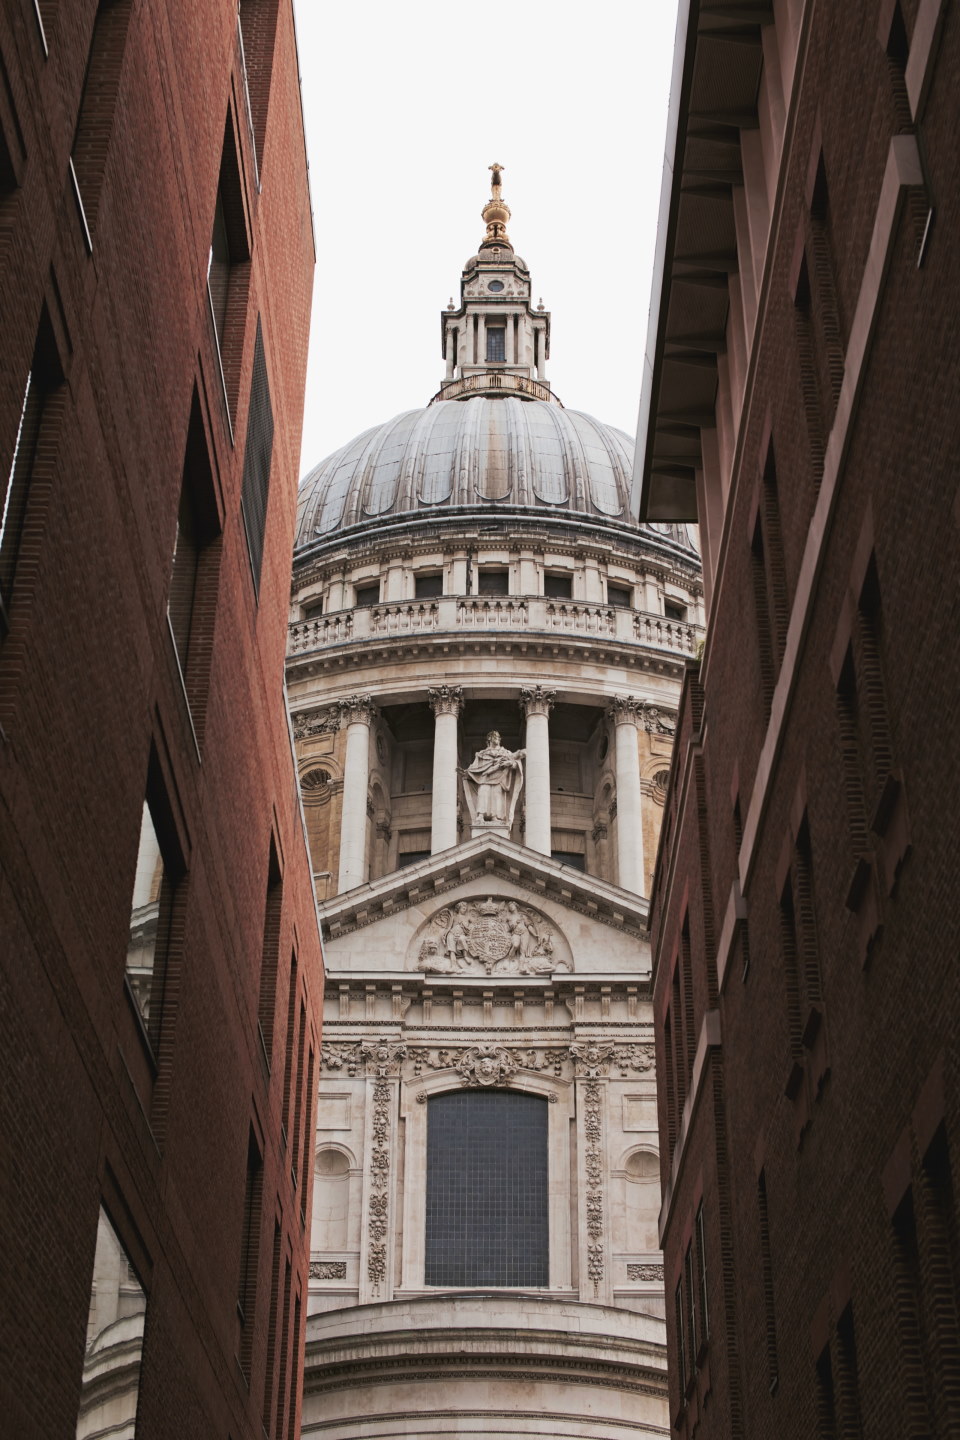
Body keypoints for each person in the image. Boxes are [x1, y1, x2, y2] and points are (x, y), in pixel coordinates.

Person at [462, 730, 525, 822]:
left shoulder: (505, 753)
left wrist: (510, 763)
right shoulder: (482, 754)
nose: (497, 738)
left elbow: (516, 763)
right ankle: (480, 815)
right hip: (484, 778)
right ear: (489, 739)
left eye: (498, 737)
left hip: (499, 779)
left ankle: (494, 816)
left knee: (497, 795)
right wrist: (466, 773)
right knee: (483, 793)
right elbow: (474, 768)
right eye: (495, 736)